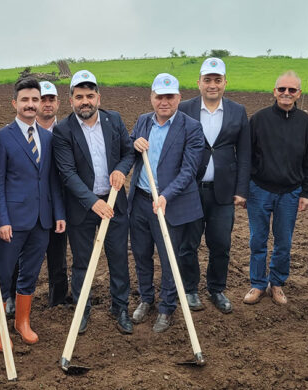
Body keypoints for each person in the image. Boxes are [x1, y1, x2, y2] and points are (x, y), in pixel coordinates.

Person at [52, 70, 134, 335]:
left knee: (118, 258)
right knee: (82, 262)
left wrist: (122, 170)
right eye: (79, 97)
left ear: (98, 97)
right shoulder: (63, 130)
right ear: (71, 100)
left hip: (114, 205)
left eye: (89, 95)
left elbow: (128, 151)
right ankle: (82, 308)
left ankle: (120, 307)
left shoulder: (114, 120)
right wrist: (91, 202)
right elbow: (67, 173)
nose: (84, 101)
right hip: (82, 207)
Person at [0, 78, 65, 351]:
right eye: (25, 100)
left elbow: (52, 180)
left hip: (41, 220)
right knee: (3, 274)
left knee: (31, 273)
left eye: (35, 99)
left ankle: (22, 321)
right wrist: (2, 219)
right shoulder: (3, 137)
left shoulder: (48, 137)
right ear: (15, 103)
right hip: (13, 220)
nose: (31, 104)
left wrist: (57, 212)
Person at [129, 73, 204, 332]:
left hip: (170, 203)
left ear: (178, 98)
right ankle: (146, 299)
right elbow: (130, 150)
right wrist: (133, 142)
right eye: (159, 96)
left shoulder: (191, 127)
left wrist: (165, 196)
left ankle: (166, 307)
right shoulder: (142, 122)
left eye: (169, 97)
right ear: (151, 97)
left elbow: (188, 170)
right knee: (141, 255)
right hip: (140, 200)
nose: (164, 102)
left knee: (170, 259)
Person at [177, 57, 250, 314]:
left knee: (221, 244)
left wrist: (241, 190)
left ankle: (217, 289)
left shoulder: (237, 111)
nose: (212, 85)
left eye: (217, 80)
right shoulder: (184, 108)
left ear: (225, 83)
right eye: (207, 80)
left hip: (223, 193)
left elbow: (244, 153)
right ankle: (190, 289)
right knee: (188, 245)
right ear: (198, 83)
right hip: (190, 191)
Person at [245, 71, 308, 305]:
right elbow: (246, 156)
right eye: (282, 89)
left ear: (299, 93)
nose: (286, 93)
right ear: (274, 91)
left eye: (292, 90)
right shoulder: (258, 119)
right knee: (258, 239)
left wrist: (306, 192)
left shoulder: (306, 122)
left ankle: (276, 283)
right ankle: (257, 284)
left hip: (290, 193)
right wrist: (244, 188)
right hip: (259, 190)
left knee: (283, 242)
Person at [38, 80, 72, 308]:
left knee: (58, 253)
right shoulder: (25, 132)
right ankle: (14, 297)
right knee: (23, 254)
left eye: (51, 99)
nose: (47, 104)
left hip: (61, 202)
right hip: (33, 203)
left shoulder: (67, 132)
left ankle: (58, 299)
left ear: (58, 103)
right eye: (42, 99)